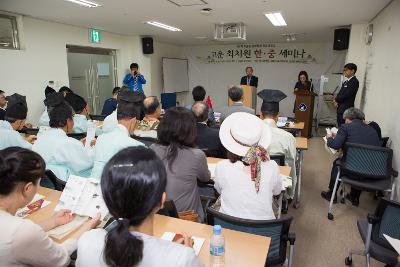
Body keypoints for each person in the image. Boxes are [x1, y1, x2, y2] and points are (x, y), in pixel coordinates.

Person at [76, 146, 202, 267]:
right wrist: (181, 254)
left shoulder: (87, 240)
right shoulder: (183, 259)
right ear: (162, 200)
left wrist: (171, 251)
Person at [0, 147, 100, 267]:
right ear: (28, 188)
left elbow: (21, 237)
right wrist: (85, 227)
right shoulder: (21, 231)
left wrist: (52, 221)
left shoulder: (16, 228)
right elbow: (61, 260)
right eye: (39, 182)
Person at [214, 112, 282, 220]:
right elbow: (277, 191)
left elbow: (218, 190)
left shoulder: (221, 167)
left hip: (227, 228)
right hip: (264, 231)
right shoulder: (272, 167)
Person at [150, 107, 210, 222]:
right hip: (188, 218)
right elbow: (205, 177)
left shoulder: (153, 149)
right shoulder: (197, 155)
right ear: (190, 130)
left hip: (159, 215)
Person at [321, 108, 381, 206]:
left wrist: (328, 139)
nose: (345, 121)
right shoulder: (373, 130)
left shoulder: (346, 127)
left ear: (348, 118)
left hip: (352, 171)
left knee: (337, 163)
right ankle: (354, 197)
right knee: (362, 161)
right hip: (373, 173)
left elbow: (335, 145)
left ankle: (331, 194)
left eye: (345, 120)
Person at [32, 101, 95, 181]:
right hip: (66, 184)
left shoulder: (41, 138)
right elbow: (86, 162)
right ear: (68, 121)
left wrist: (78, 144)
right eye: (73, 118)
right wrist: (92, 148)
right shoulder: (69, 143)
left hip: (46, 183)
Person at [90, 91, 144, 180]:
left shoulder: (101, 138)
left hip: (91, 186)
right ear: (134, 121)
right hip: (113, 190)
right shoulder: (136, 146)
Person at [258, 89, 297, 199]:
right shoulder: (288, 138)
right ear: (278, 116)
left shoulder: (251, 134)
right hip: (277, 183)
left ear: (260, 114)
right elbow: (291, 165)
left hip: (253, 179)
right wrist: (290, 193)